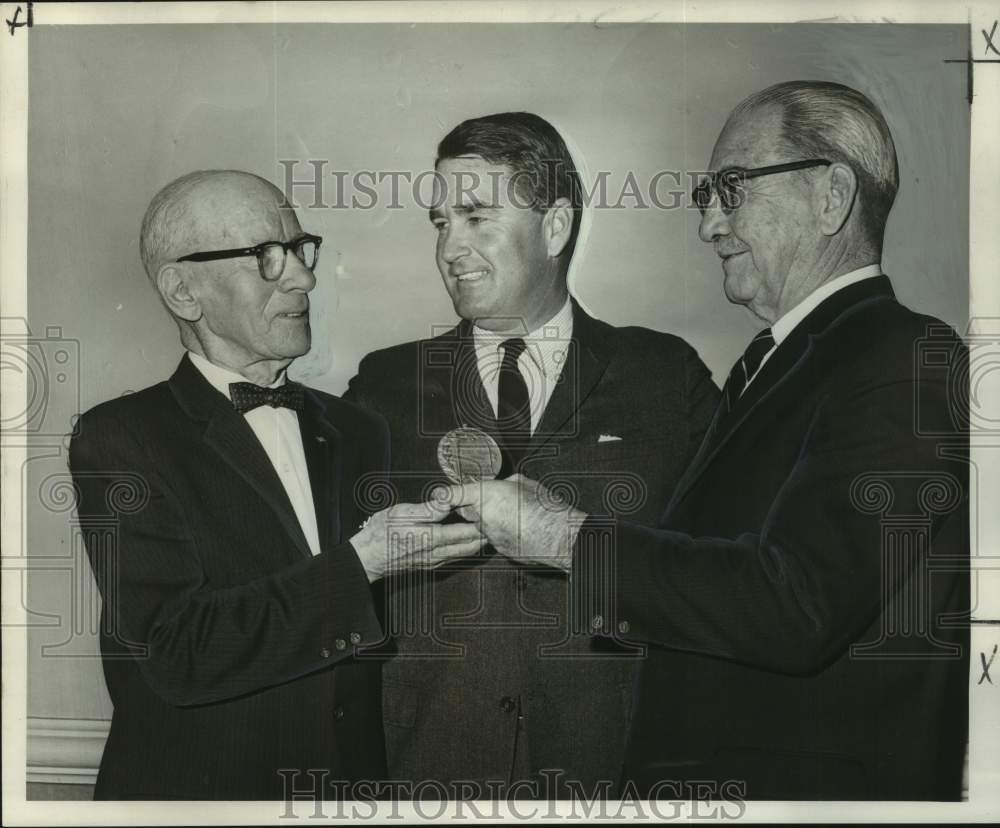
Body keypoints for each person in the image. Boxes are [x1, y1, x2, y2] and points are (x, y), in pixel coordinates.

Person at [443, 82, 970, 800]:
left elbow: (799, 607)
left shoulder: (903, 358)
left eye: (732, 188)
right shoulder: (775, 365)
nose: (710, 226)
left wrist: (564, 536)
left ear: (831, 196)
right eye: (705, 195)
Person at [69, 170, 484, 800]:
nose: (303, 277)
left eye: (299, 250)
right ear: (184, 290)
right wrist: (362, 563)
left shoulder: (355, 428)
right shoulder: (121, 437)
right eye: (265, 256)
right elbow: (175, 652)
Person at [344, 112, 719, 797]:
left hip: (614, 781)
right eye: (439, 222)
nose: (450, 248)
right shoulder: (382, 387)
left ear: (555, 227)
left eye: (476, 217)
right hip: (426, 779)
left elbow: (719, 578)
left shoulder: (667, 378)